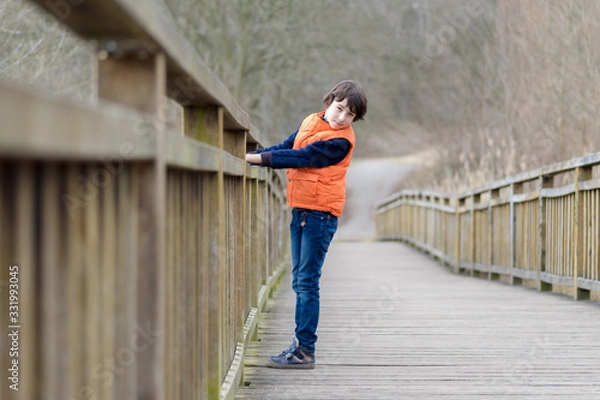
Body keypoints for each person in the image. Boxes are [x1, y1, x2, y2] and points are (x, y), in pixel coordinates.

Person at [245, 80, 367, 369]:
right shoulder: (311, 121)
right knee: (300, 279)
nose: (341, 118)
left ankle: (305, 351)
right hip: (302, 210)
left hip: (320, 214)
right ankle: (300, 346)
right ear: (329, 102)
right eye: (339, 109)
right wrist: (257, 156)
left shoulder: (341, 141)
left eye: (349, 115)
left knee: (307, 282)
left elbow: (304, 158)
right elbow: (287, 147)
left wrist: (259, 159)